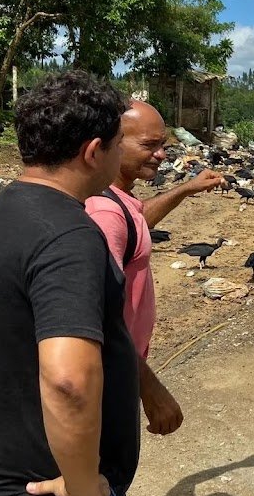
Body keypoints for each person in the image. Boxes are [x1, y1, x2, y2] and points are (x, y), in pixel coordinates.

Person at [0, 71, 137, 496]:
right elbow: (68, 381)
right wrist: (81, 486)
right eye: (118, 143)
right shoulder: (69, 237)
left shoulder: (8, 207)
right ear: (94, 151)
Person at [84, 100, 224, 436]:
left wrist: (186, 189)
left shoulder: (117, 200)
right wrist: (148, 385)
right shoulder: (103, 213)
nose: (161, 155)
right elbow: (98, 316)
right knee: (103, 481)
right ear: (109, 144)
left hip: (122, 369)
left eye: (162, 145)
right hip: (111, 374)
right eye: (149, 145)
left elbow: (135, 223)